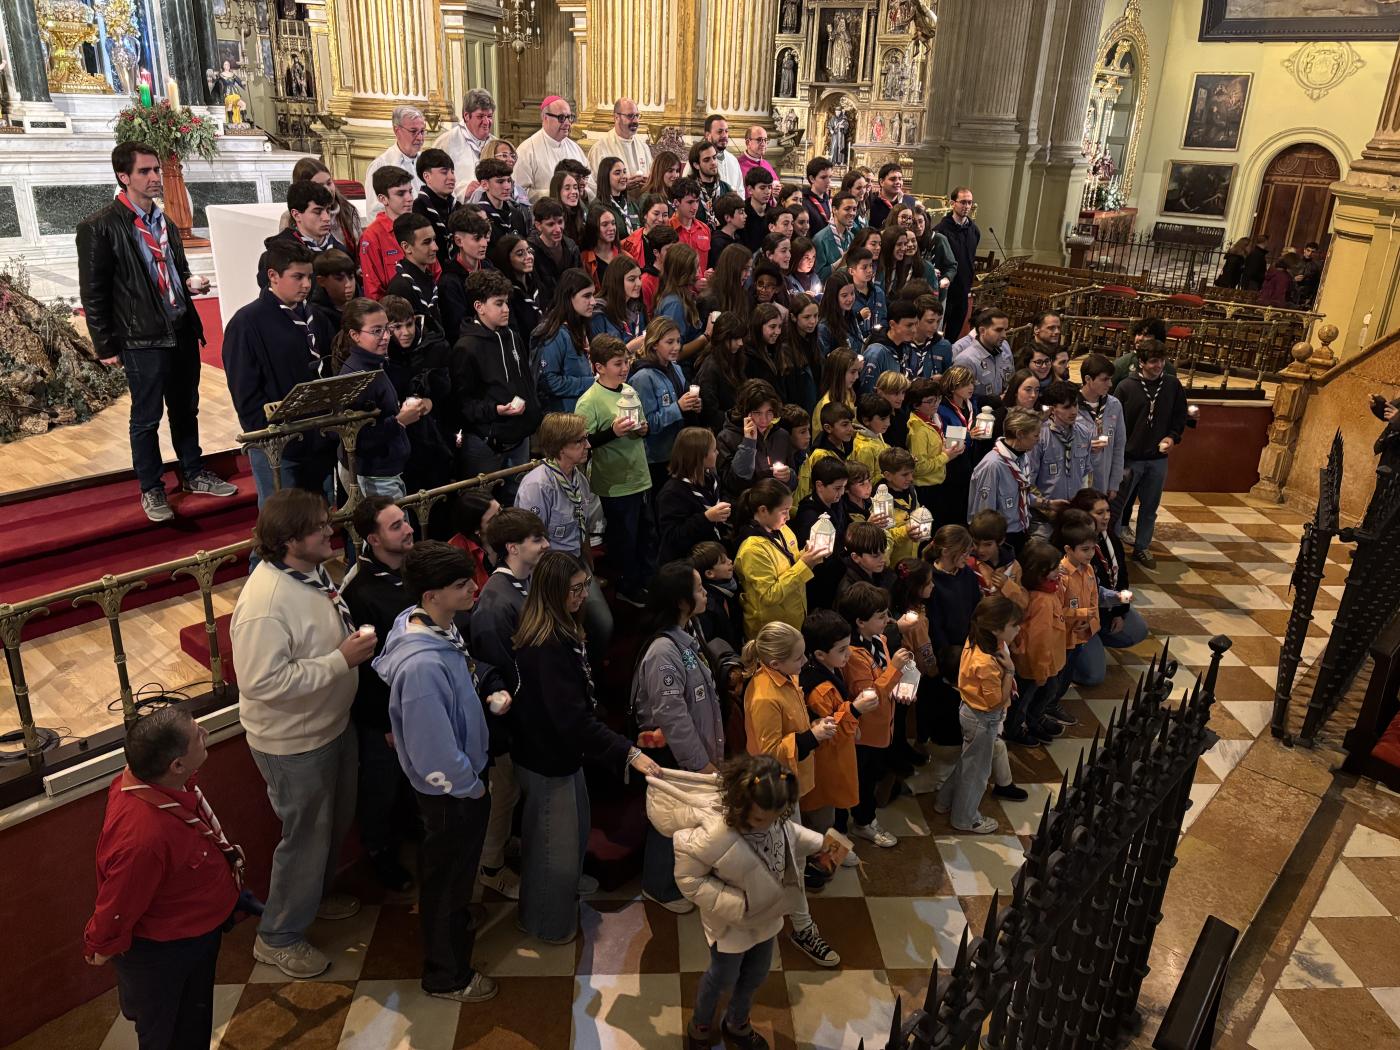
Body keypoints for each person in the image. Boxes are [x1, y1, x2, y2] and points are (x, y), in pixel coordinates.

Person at [230, 489, 376, 977]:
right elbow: (262, 683)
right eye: (319, 528)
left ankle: (310, 899)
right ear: (290, 541)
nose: (330, 531)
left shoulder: (308, 571)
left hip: (330, 725)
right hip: (293, 743)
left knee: (333, 826)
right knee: (306, 838)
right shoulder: (265, 603)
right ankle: (279, 936)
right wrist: (341, 660)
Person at [77, 142, 235, 521]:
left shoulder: (162, 221)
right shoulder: (99, 227)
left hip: (178, 327)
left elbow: (173, 268)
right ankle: (151, 488)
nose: (154, 178)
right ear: (123, 176)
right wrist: (104, 344)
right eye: (145, 171)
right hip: (140, 335)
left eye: (155, 171)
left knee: (186, 407)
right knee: (146, 417)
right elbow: (93, 291)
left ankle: (194, 472)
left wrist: (188, 281)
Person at [510, 551, 662, 943]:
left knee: (571, 838)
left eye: (584, 587)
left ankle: (554, 905)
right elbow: (572, 720)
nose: (582, 596)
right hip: (547, 758)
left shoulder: (562, 631)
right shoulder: (545, 647)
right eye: (575, 590)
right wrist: (628, 752)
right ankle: (545, 923)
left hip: (562, 754)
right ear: (552, 593)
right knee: (552, 850)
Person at [373, 541, 501, 1003]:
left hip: (461, 783)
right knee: (446, 878)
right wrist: (469, 785)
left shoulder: (432, 623)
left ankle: (455, 924)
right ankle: (446, 974)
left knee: (454, 874)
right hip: (451, 794)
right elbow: (434, 753)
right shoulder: (422, 666)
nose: (473, 588)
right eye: (461, 585)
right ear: (431, 596)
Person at [83, 707, 242, 1050]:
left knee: (194, 1020)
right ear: (176, 765)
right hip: (168, 950)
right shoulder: (144, 838)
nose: (205, 733)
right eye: (197, 735)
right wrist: (100, 944)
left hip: (196, 931)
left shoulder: (154, 783)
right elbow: (119, 900)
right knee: (168, 1033)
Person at [651, 755, 827, 1047]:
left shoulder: (771, 818)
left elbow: (790, 835)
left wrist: (824, 845)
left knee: (756, 974)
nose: (766, 826)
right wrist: (737, 905)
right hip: (731, 925)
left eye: (775, 818)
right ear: (739, 804)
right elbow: (689, 880)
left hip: (767, 917)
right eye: (759, 819)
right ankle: (701, 1026)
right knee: (722, 978)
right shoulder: (713, 836)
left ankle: (738, 1023)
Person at [739, 623, 841, 966]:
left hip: (791, 780)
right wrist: (812, 736)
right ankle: (801, 927)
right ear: (776, 662)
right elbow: (767, 750)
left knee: (789, 857)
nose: (804, 662)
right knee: (790, 862)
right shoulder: (765, 694)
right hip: (774, 787)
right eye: (798, 658)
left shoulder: (785, 679)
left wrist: (812, 727)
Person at [466, 508, 550, 898]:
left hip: (530, 709)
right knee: (503, 794)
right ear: (513, 548)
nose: (545, 545)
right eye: (537, 540)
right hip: (508, 722)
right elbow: (499, 671)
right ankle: (490, 865)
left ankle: (500, 847)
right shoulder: (495, 604)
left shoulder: (524, 582)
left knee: (512, 792)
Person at [632, 562, 723, 911]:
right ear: (681, 601)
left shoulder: (689, 630)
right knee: (669, 819)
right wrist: (698, 763)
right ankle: (660, 886)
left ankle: (686, 875)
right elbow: (671, 714)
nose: (704, 593)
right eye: (699, 588)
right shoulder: (662, 651)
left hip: (697, 745)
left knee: (687, 817)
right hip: (674, 753)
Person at [339, 497, 418, 891]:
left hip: (416, 698)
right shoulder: (360, 589)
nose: (407, 529)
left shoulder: (411, 567)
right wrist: (386, 721)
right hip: (382, 712)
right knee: (380, 787)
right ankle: (379, 853)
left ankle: (409, 831)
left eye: (404, 521)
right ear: (372, 538)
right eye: (395, 526)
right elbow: (365, 667)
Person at [222, 239, 336, 503]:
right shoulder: (246, 322)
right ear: (272, 276)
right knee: (283, 529)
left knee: (322, 519)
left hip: (320, 439)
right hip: (278, 447)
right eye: (297, 277)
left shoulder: (317, 317)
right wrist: (267, 436)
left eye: (309, 277)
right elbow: (244, 392)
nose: (307, 285)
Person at [515, 412, 614, 654]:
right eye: (580, 441)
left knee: (604, 626)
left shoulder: (579, 479)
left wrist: (588, 567)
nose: (588, 445)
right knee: (573, 633)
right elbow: (532, 545)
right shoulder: (537, 486)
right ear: (560, 447)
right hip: (551, 573)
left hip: (577, 564)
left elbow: (583, 529)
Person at [932, 594, 1026, 834]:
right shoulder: (986, 662)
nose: (1018, 629)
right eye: (1014, 625)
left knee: (969, 762)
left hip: (970, 711)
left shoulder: (977, 639)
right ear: (995, 629)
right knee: (977, 773)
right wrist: (1010, 672)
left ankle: (944, 801)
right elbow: (996, 702)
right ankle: (965, 818)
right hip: (983, 718)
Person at [575, 334, 657, 606]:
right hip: (615, 481)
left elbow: (641, 426)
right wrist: (612, 432)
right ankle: (627, 586)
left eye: (626, 362)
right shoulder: (589, 400)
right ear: (599, 367)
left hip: (639, 475)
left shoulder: (629, 390)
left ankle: (646, 581)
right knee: (624, 538)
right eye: (617, 363)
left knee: (646, 534)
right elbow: (583, 443)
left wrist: (643, 429)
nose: (624, 368)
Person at [447, 269, 542, 494]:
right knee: (482, 508)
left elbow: (526, 383)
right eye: (499, 303)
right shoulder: (466, 347)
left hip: (520, 437)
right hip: (486, 444)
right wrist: (495, 410)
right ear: (479, 307)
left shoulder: (512, 336)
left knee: (520, 502)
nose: (506, 309)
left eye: (506, 302)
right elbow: (463, 405)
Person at [1112, 338, 1187, 568]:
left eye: (1162, 361)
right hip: (1129, 459)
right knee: (1118, 507)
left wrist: (1172, 437)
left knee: (1150, 507)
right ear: (1141, 362)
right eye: (1153, 361)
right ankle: (1112, 548)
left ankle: (1142, 547)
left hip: (1157, 460)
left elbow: (1179, 416)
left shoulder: (1172, 385)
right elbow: (1116, 423)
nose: (1159, 366)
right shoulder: (1126, 386)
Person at [1067, 488, 1147, 687]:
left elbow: (1122, 577)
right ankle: (1073, 657)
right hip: (1080, 618)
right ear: (1084, 516)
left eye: (1108, 511)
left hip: (1105, 609)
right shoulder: (1070, 544)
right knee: (1094, 676)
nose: (1106, 517)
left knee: (1138, 629)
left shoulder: (1109, 537)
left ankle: (1097, 642)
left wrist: (1119, 611)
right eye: (1099, 513)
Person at [734, 477, 827, 637]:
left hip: (793, 617)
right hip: (772, 631)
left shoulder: (783, 529)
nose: (788, 517)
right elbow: (769, 595)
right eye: (784, 511)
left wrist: (808, 554)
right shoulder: (752, 549)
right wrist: (804, 564)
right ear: (763, 510)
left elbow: (791, 562)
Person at [1004, 538, 1066, 747]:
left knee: (1046, 692)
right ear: (1038, 572)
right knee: (1024, 700)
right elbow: (1039, 641)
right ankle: (1014, 729)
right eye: (1053, 568)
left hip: (1049, 663)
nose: (1059, 570)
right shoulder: (1041, 601)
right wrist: (1040, 672)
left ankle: (1034, 719)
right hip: (1036, 666)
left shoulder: (1048, 591)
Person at [968, 408, 1046, 556]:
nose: (1038, 439)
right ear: (1020, 434)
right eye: (1035, 435)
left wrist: (1047, 504)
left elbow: (1021, 496)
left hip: (1021, 530)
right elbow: (984, 514)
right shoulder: (993, 465)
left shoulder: (1023, 458)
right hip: (1000, 539)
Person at [718, 379, 795, 499]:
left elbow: (793, 481)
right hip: (745, 510)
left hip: (776, 509)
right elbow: (733, 484)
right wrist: (749, 442)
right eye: (757, 413)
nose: (764, 420)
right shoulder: (727, 438)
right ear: (745, 412)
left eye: (769, 412)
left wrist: (789, 477)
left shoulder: (782, 436)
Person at [361, 167, 422, 300]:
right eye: (401, 194)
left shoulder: (420, 225)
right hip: (395, 312)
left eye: (410, 192)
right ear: (383, 199)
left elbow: (435, 271)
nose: (410, 198)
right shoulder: (372, 236)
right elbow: (373, 290)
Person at [513, 95, 590, 202]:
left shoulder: (575, 149)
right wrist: (555, 193)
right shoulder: (527, 150)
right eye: (561, 118)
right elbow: (519, 192)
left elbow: (588, 182)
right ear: (545, 117)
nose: (567, 123)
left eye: (569, 117)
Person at [384, 212, 446, 340]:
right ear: (407, 247)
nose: (435, 247)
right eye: (426, 242)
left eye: (434, 240)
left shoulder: (427, 277)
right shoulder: (400, 287)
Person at [1078, 352, 1126, 500]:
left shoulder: (1114, 405)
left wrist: (1114, 484)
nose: (1110, 384)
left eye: (1110, 379)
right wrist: (1085, 445)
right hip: (1076, 482)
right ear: (1088, 379)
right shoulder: (1071, 405)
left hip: (1102, 481)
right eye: (1104, 379)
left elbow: (1119, 445)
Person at [934, 186, 979, 339]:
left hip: (963, 290)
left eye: (969, 203)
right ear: (953, 203)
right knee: (936, 332)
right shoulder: (941, 230)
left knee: (953, 335)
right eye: (963, 202)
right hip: (946, 290)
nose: (967, 206)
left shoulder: (974, 230)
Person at [365, 105, 427, 216]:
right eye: (413, 131)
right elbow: (375, 213)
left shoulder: (427, 162)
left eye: (422, 131)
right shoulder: (381, 166)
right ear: (397, 131)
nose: (420, 138)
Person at [433, 88, 496, 196]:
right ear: (467, 116)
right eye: (480, 116)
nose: (486, 122)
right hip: (459, 209)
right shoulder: (446, 142)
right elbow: (433, 182)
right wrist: (463, 193)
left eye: (489, 116)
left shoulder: (496, 144)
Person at [587, 98, 652, 193]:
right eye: (630, 116)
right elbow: (593, 186)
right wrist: (621, 187)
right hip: (612, 205)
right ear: (616, 117)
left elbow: (652, 177)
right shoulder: (600, 148)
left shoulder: (643, 147)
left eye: (637, 116)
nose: (635, 121)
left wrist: (648, 183)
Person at [528, 197, 584, 306]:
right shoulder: (530, 252)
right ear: (538, 226)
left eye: (560, 222)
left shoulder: (571, 247)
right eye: (551, 224)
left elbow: (580, 282)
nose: (558, 229)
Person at [951, 308, 1014, 399]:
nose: (1004, 335)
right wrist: (997, 400)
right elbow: (960, 398)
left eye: (1005, 330)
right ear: (982, 331)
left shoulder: (1003, 349)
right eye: (999, 330)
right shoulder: (966, 360)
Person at [473, 156, 531, 245]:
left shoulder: (516, 213)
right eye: (500, 182)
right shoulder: (477, 217)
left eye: (508, 180)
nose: (507, 187)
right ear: (484, 184)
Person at [310, 248, 357, 332]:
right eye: (339, 279)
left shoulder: (363, 307)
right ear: (321, 281)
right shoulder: (315, 316)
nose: (348, 284)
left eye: (351, 277)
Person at [814, 192, 858, 281]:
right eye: (847, 209)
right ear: (834, 210)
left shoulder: (851, 236)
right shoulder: (820, 239)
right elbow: (817, 276)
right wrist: (839, 262)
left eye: (854, 209)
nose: (852, 213)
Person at [702, 113, 744, 194]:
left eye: (726, 131)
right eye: (720, 131)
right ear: (708, 135)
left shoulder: (733, 160)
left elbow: (740, 190)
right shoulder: (698, 158)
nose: (724, 135)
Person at [867, 161, 915, 230]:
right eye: (893, 179)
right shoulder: (871, 201)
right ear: (881, 182)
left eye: (900, 179)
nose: (898, 182)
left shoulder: (910, 201)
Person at [803, 156, 834, 235]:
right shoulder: (804, 202)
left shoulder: (829, 201)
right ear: (812, 179)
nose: (828, 181)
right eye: (823, 177)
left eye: (830, 177)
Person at [1295, 241, 1323, 307]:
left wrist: (1310, 298)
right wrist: (1294, 279)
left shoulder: (1316, 267)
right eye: (1308, 250)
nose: (1309, 253)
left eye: (1312, 252)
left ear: (1315, 253)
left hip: (1305, 296)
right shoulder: (1296, 261)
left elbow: (1315, 284)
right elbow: (1287, 275)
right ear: (1304, 250)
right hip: (1292, 292)